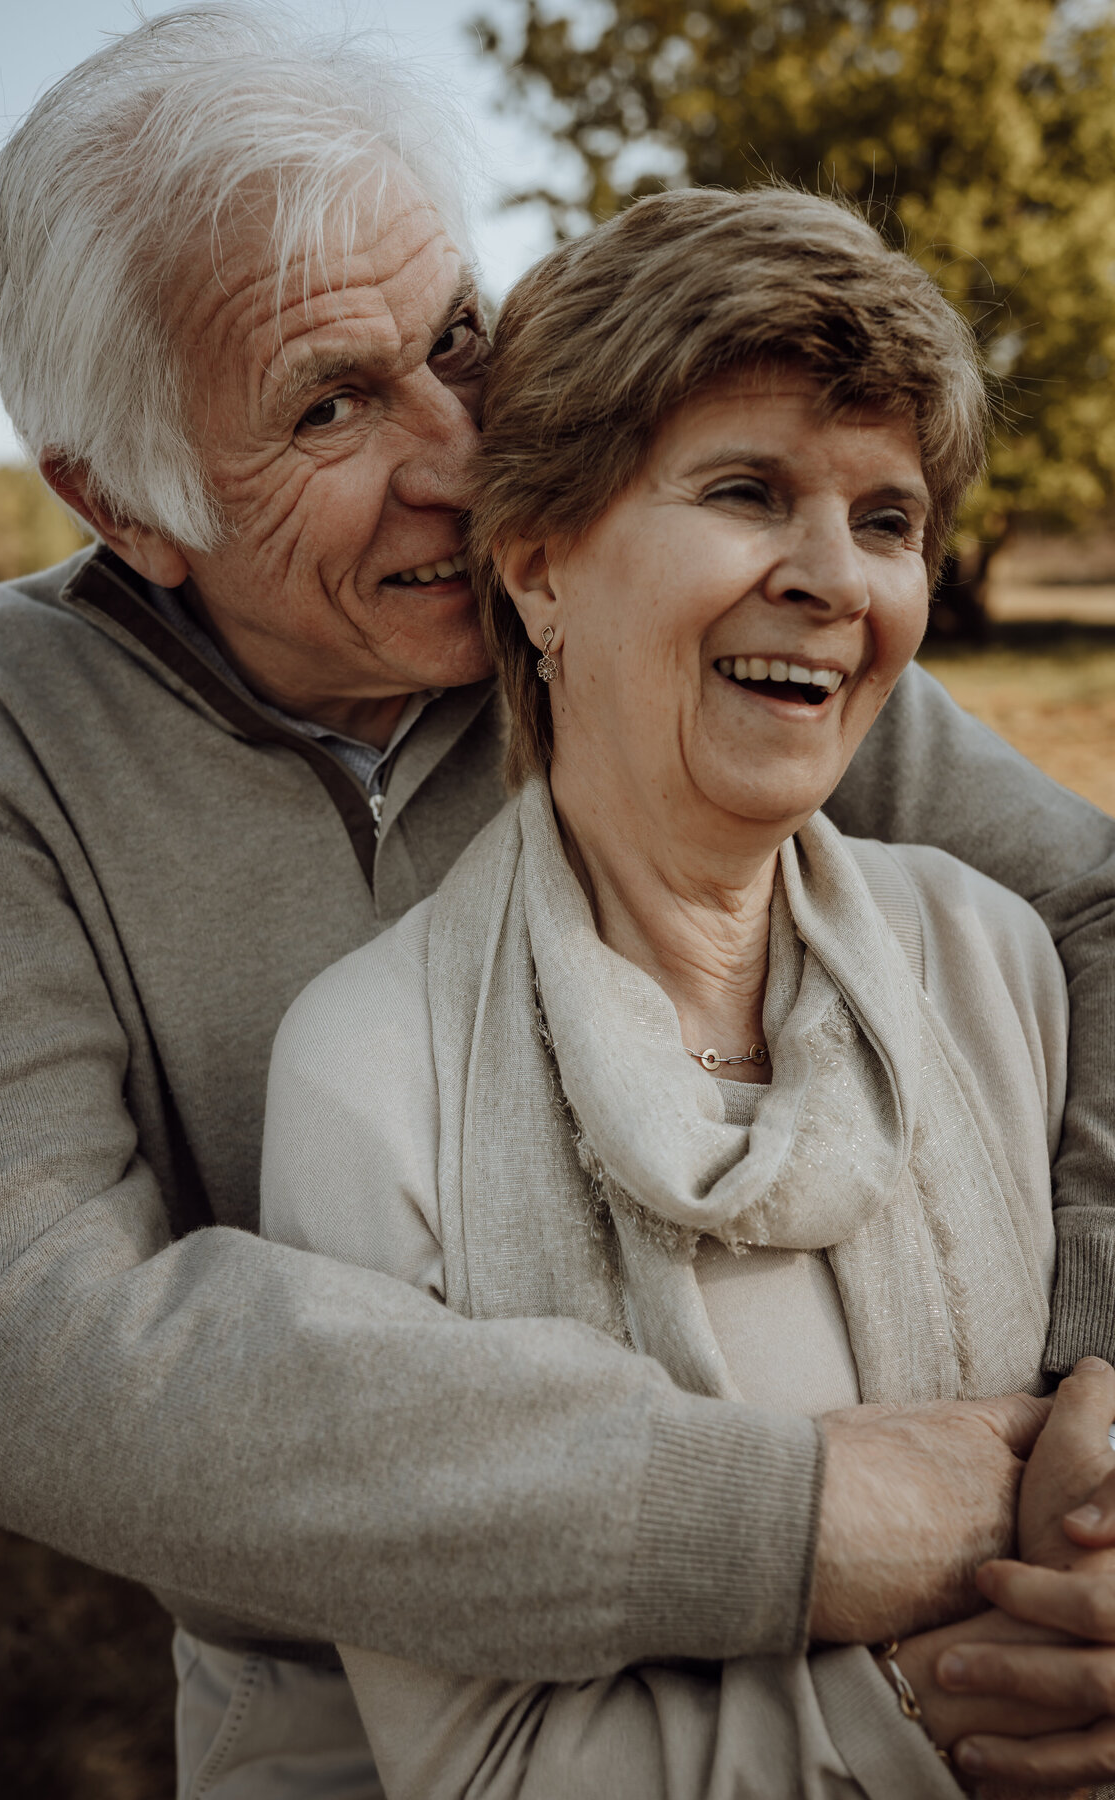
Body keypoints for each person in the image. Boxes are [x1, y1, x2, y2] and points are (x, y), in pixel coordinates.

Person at [0, 5, 1115, 1795]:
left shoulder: (636, 588)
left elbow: (1095, 914)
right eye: (328, 405)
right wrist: (790, 1512)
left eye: (456, 341)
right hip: (343, 1705)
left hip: (925, 1629)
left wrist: (1095, 1391)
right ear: (123, 504)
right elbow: (31, 1347)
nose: (464, 460)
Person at [245, 185, 1115, 1798]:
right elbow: (481, 1764)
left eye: (888, 520)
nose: (834, 579)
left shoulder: (997, 957)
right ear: (538, 564)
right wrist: (945, 1713)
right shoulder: (372, 1073)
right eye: (746, 491)